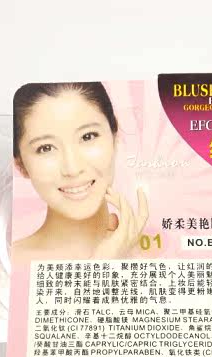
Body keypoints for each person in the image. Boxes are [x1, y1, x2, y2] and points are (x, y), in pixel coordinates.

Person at [11, 82, 148, 263]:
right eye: (45, 148)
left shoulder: (163, 254)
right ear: (20, 164)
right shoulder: (8, 262)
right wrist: (102, 267)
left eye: (87, 136)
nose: (72, 169)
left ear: (114, 135)